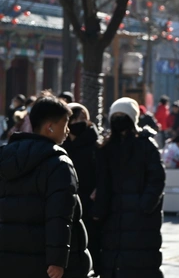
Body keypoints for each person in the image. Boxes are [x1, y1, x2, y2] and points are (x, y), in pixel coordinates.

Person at [0, 95, 92, 278]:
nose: (67, 130)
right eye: (64, 124)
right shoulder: (58, 163)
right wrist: (57, 260)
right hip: (45, 263)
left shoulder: (6, 156)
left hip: (7, 259)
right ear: (50, 127)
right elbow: (59, 215)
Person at [94, 98, 165, 278]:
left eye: (123, 115)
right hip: (113, 217)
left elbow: (156, 178)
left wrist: (145, 205)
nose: (118, 120)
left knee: (140, 265)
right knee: (114, 262)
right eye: (115, 116)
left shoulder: (146, 145)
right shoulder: (106, 147)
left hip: (141, 219)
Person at [62, 103, 102, 270]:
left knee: (91, 240)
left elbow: (102, 174)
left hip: (89, 201)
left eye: (83, 119)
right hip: (66, 201)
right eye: (75, 119)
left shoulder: (95, 145)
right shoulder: (61, 145)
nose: (79, 123)